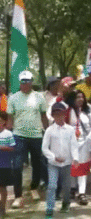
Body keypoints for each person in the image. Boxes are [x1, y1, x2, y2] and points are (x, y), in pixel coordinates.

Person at [7, 70, 48, 208]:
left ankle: (34, 188)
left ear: (31, 81)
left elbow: (43, 116)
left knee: (37, 164)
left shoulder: (39, 97)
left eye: (28, 80)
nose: (26, 83)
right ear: (20, 83)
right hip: (19, 135)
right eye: (23, 81)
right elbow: (10, 118)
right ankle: (18, 196)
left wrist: (48, 132)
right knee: (17, 166)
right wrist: (7, 134)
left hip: (36, 135)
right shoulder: (13, 98)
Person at [42, 102, 79, 219]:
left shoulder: (70, 130)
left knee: (67, 186)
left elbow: (74, 145)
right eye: (56, 114)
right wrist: (53, 157)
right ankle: (49, 208)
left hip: (66, 163)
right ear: (53, 115)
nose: (59, 116)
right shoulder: (49, 130)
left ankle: (66, 203)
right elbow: (44, 148)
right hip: (53, 163)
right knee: (52, 185)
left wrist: (76, 158)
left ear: (64, 115)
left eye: (61, 114)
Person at [65, 90, 91, 205]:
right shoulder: (68, 111)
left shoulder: (87, 111)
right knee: (72, 167)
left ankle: (82, 192)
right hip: (71, 142)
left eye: (82, 97)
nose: (80, 99)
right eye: (78, 97)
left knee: (82, 168)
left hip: (85, 142)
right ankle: (72, 189)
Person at [0, 112, 15, 217]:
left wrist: (1, 148)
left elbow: (12, 148)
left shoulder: (8, 134)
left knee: (2, 187)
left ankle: (3, 207)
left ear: (4, 122)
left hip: (4, 165)